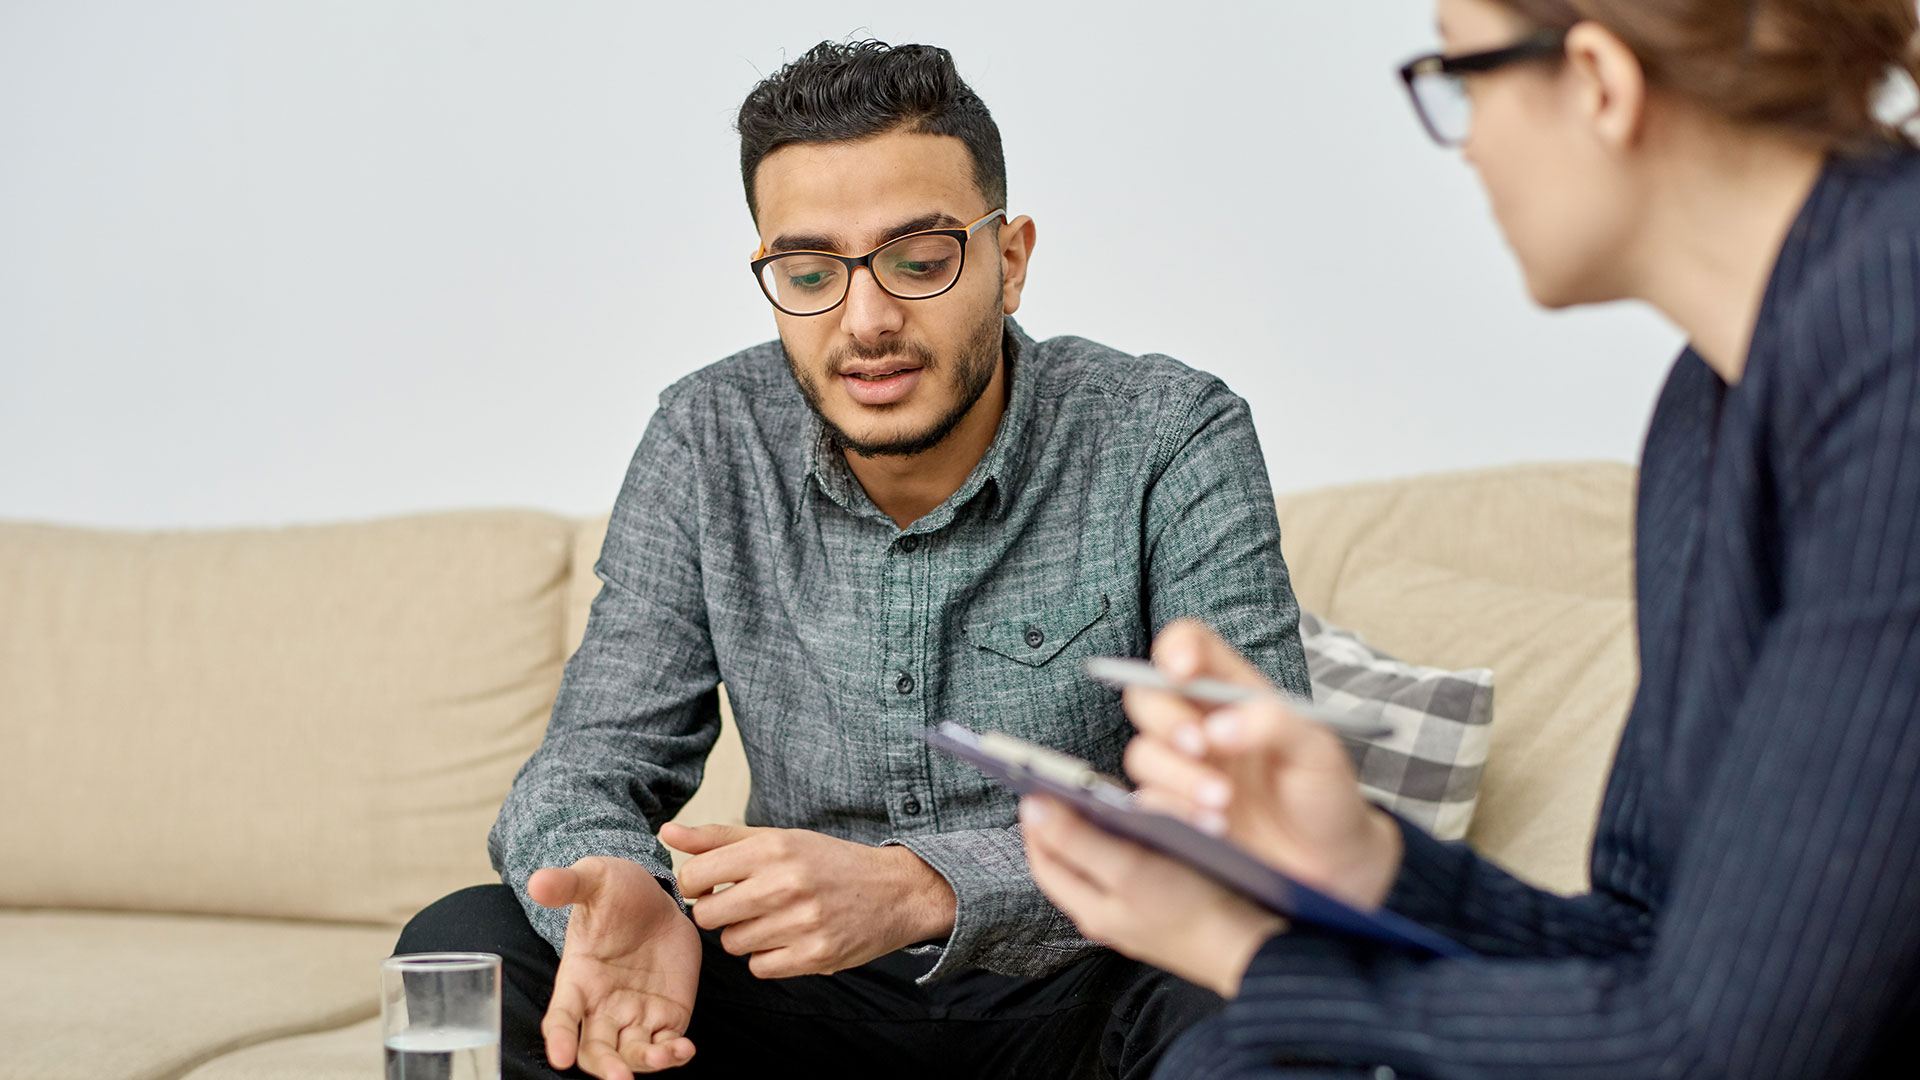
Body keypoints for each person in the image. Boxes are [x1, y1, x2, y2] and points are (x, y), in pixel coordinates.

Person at [1020, 0, 1920, 1077]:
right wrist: (1365, 861)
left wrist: (1240, 950)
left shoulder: (1893, 343)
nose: (1467, 144)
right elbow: (1640, 945)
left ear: (1598, 80)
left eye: (1463, 78)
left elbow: (1719, 1049)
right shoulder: (1706, 405)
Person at [395, 40, 1313, 1080]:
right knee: (465, 945)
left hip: (1089, 989)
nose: (866, 321)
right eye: (810, 272)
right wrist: (621, 877)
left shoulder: (1166, 434)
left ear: (1009, 261)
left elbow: (1257, 815)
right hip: (794, 1005)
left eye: (921, 259)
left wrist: (927, 885)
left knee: (1271, 976)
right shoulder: (707, 438)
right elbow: (583, 770)